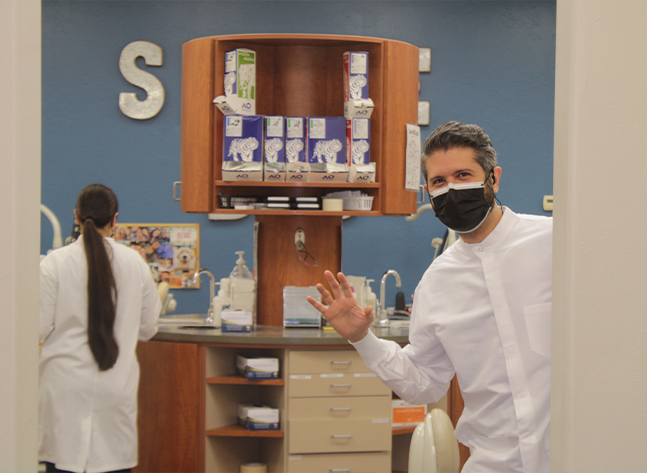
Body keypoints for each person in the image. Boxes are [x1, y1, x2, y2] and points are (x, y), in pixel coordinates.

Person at [308, 121, 552, 473]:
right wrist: (363, 339)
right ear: (427, 191)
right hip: (494, 464)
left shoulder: (556, 243)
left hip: (578, 455)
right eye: (439, 181)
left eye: (464, 174)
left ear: (493, 178)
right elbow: (422, 383)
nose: (452, 189)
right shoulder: (437, 283)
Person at [39, 184, 161, 473]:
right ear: (115, 220)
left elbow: (39, 327)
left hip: (64, 389)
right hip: (114, 386)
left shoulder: (54, 263)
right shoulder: (135, 263)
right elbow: (148, 329)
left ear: (76, 217)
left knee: (63, 464)